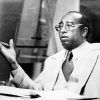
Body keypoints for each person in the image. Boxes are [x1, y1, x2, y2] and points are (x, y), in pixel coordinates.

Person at [0, 11, 100, 97]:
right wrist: (14, 64)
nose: (62, 30)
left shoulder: (97, 54)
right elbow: (37, 90)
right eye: (60, 27)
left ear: (84, 31)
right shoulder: (53, 60)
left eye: (69, 26)